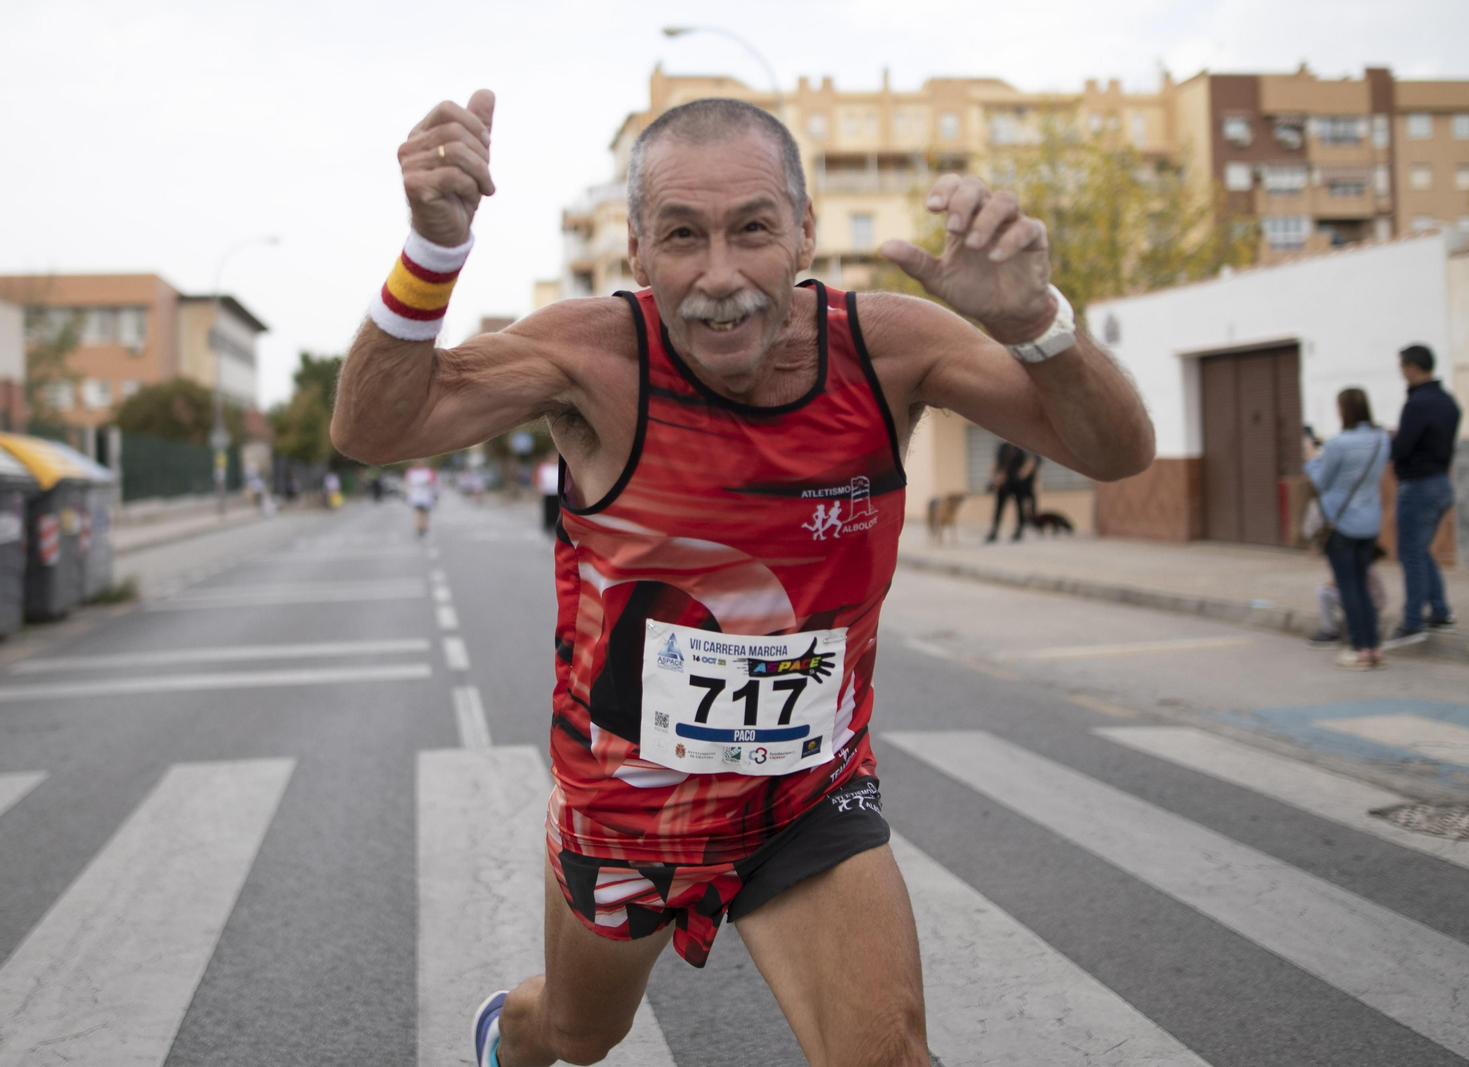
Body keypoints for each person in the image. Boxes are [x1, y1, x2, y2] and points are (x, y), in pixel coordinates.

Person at [331, 90, 1153, 1067]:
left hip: (806, 794)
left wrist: (1036, 323)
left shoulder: (887, 347)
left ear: (803, 231)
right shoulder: (593, 357)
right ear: (638, 252)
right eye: (683, 235)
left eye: (751, 230)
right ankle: (508, 1032)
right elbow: (370, 432)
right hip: (629, 804)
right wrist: (432, 250)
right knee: (580, 1033)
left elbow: (1113, 451)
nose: (720, 277)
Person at [1305, 388, 1390, 670]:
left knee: (1349, 586)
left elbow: (1322, 482)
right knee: (1362, 584)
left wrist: (1311, 458)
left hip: (1340, 523)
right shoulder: (1381, 439)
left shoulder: (1337, 444)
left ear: (1342, 411)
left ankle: (1359, 648)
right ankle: (1374, 646)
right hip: (1370, 521)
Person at [1387, 344, 1460, 647]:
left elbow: (1402, 448)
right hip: (1442, 483)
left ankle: (1413, 621)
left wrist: (1391, 442)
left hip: (1418, 485)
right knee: (1421, 550)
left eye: (1402, 367)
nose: (1401, 373)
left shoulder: (1417, 403)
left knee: (1411, 553)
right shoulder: (1448, 401)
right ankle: (1440, 611)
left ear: (1413, 367)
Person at [1307, 544, 1388, 646]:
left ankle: (1330, 631)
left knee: (1323, 592)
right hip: (1373, 605)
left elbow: (1332, 584)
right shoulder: (1366, 567)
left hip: (1367, 606)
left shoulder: (1358, 567)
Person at [984, 441, 1038, 542]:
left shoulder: (1023, 446)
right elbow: (995, 461)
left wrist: (1020, 476)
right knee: (999, 507)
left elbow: (1031, 462)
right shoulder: (1003, 447)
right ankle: (994, 531)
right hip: (1004, 482)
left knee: (1019, 507)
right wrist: (993, 478)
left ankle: (1019, 531)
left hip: (1017, 483)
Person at [405, 458, 439, 536]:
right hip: (415, 495)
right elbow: (407, 483)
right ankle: (419, 526)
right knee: (418, 511)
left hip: (426, 495)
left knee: (425, 512)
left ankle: (424, 525)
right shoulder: (411, 472)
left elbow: (433, 482)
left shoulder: (428, 471)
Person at [536, 456, 560, 536]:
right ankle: (548, 525)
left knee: (557, 510)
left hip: (557, 492)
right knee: (548, 510)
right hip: (548, 492)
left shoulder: (559, 467)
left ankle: (557, 525)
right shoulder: (544, 467)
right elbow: (539, 478)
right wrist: (540, 488)